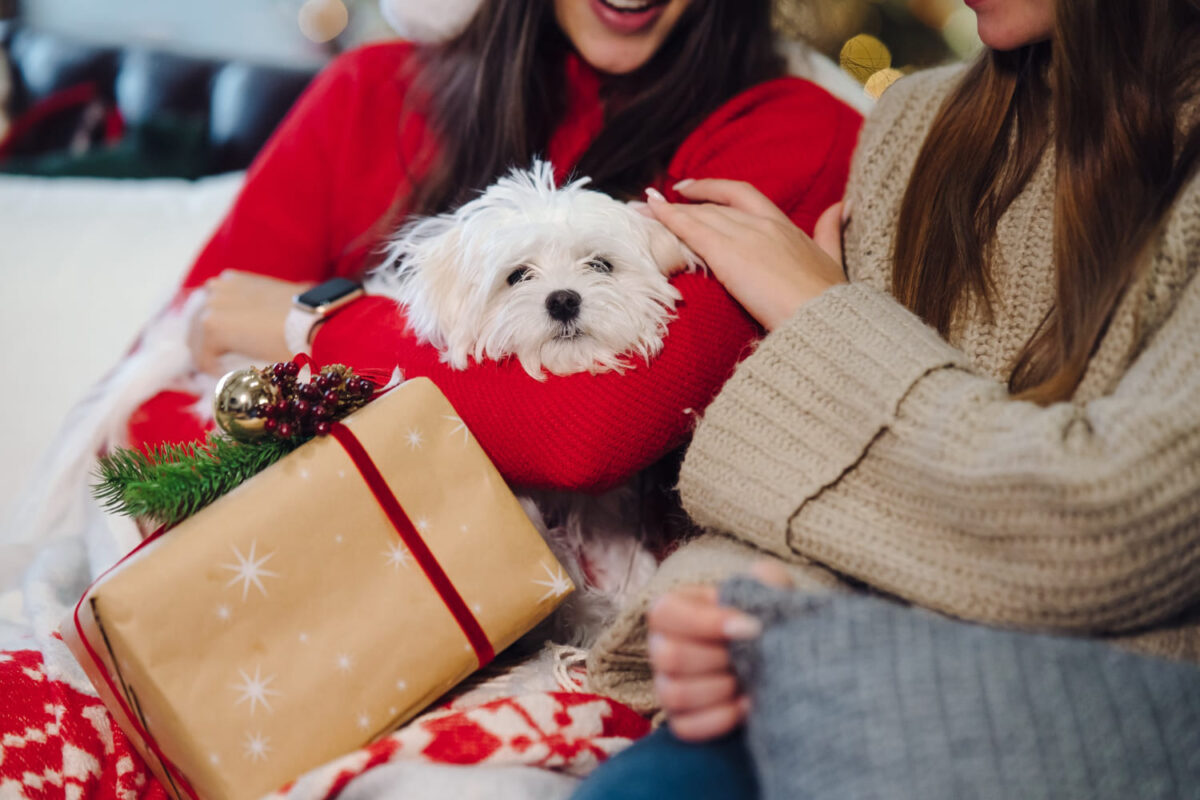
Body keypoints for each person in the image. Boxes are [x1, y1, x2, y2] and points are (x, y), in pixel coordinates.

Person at [574, 0, 1200, 796]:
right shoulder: (914, 121)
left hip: (1080, 732)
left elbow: (1114, 530)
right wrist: (726, 607)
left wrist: (823, 317)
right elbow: (812, 488)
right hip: (844, 679)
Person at [126, 0, 862, 497]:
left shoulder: (793, 132)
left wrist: (313, 326)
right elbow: (159, 400)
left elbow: (583, 435)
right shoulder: (370, 93)